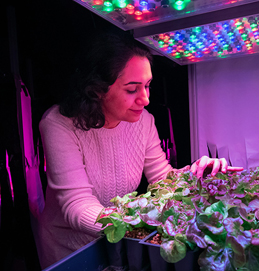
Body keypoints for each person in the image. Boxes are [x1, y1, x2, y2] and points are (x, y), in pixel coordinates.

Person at [37, 32, 241, 269]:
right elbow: (77, 205)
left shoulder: (144, 121)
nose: (145, 99)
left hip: (119, 242)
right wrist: (139, 224)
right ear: (96, 90)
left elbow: (161, 178)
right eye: (132, 89)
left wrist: (194, 175)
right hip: (73, 249)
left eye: (147, 85)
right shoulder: (59, 124)